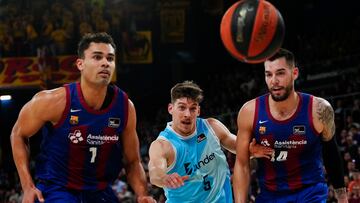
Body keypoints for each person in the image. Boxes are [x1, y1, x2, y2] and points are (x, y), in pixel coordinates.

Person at [10, 32, 155, 203]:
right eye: (97, 57)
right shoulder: (52, 101)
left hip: (100, 191)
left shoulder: (125, 107)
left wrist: (142, 194)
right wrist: (27, 186)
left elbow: (132, 161)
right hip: (57, 189)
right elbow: (18, 134)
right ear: (80, 64)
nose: (105, 63)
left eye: (110, 58)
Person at [233, 48, 348, 203]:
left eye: (280, 73)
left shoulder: (319, 109)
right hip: (270, 196)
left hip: (310, 193)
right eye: (269, 74)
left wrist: (342, 198)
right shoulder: (249, 111)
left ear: (294, 73)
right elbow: (241, 164)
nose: (274, 80)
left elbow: (331, 153)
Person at [147, 81, 273, 202]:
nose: (187, 114)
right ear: (170, 108)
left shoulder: (212, 127)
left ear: (198, 111)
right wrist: (164, 178)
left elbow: (239, 147)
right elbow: (155, 172)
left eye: (192, 108)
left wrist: (250, 150)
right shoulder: (162, 145)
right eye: (182, 107)